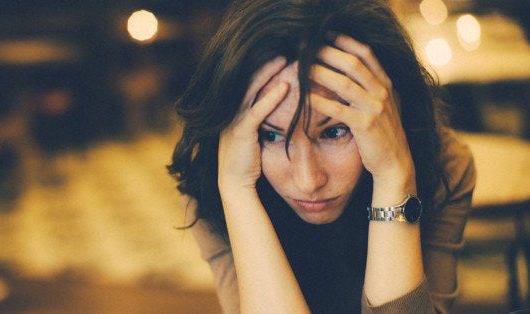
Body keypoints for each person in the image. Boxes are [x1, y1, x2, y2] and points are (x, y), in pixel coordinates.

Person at [167, 0, 476, 313]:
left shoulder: (445, 165)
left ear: (386, 114)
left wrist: (394, 177)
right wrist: (237, 190)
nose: (308, 181)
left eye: (334, 132)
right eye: (270, 136)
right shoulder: (213, 187)